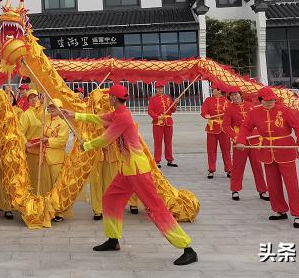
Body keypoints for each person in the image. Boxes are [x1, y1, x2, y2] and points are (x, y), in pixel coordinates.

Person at [51, 85, 197, 265]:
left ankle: (187, 248)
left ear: (113, 98)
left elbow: (106, 139)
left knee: (156, 207)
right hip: (127, 169)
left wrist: (86, 145)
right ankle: (113, 239)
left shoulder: (123, 117)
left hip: (137, 170)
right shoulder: (118, 113)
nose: (107, 99)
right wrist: (73, 114)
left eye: (109, 97)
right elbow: (98, 119)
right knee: (110, 199)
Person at [236, 87, 299, 228]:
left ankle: (297, 214)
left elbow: (298, 127)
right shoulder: (254, 113)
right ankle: (280, 210)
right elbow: (245, 127)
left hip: (285, 150)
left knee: (291, 184)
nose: (270, 103)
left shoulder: (284, 110)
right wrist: (241, 140)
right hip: (267, 150)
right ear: (260, 100)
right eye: (267, 100)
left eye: (272, 100)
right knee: (273, 184)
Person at [222, 87, 269, 201]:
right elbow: (226, 126)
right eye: (232, 95)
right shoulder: (229, 109)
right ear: (230, 97)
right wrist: (234, 137)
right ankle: (235, 189)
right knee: (238, 166)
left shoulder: (251, 106)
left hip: (254, 139)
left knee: (257, 166)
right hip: (239, 140)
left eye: (236, 94)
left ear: (240, 94)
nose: (234, 97)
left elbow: (260, 121)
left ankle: (262, 190)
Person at [42, 99, 72, 222]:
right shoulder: (45, 119)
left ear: (60, 109)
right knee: (47, 185)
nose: (51, 109)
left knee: (57, 185)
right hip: (45, 157)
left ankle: (59, 211)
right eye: (50, 106)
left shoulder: (63, 123)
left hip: (57, 158)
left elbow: (61, 141)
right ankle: (48, 209)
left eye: (54, 107)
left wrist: (47, 140)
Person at [18, 89, 50, 195]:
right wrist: (25, 143)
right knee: (34, 177)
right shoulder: (26, 114)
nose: (33, 99)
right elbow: (20, 131)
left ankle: (44, 198)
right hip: (32, 150)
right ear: (28, 101)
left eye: (35, 97)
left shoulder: (44, 112)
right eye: (30, 98)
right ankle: (34, 199)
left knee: (44, 177)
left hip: (45, 149)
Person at [200, 84, 232, 178]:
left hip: (224, 128)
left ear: (219, 90)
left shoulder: (227, 101)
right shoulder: (208, 100)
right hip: (212, 127)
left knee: (226, 150)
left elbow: (231, 114)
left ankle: (229, 169)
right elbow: (204, 110)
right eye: (213, 89)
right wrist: (206, 115)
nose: (213, 91)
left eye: (214, 89)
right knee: (211, 150)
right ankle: (211, 169)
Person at [147, 84, 177, 168]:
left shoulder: (168, 98)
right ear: (156, 89)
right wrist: (157, 117)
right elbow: (150, 111)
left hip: (168, 122)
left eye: (161, 88)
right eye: (158, 88)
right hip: (158, 122)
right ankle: (157, 161)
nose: (160, 90)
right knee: (158, 142)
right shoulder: (153, 99)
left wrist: (175, 103)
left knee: (168, 141)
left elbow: (173, 110)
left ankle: (169, 160)